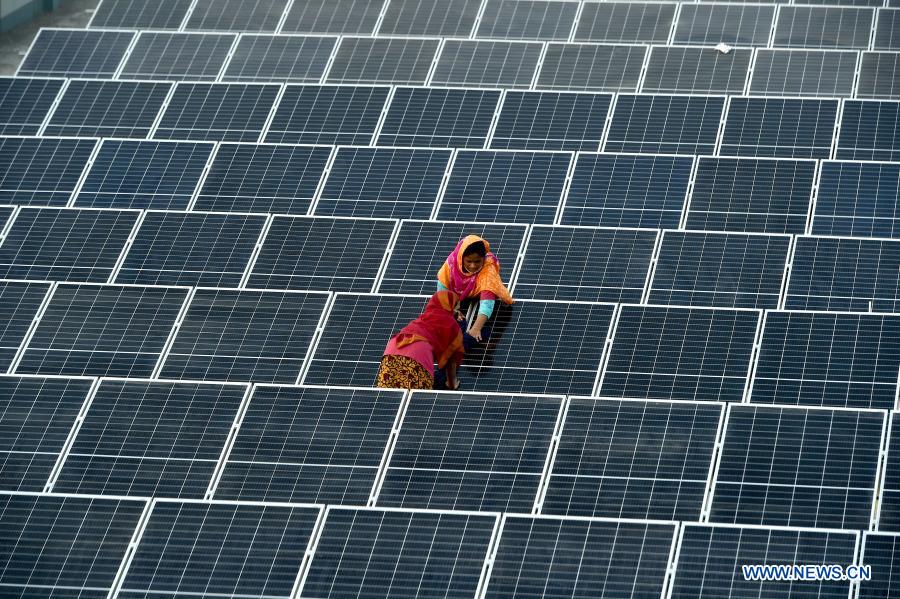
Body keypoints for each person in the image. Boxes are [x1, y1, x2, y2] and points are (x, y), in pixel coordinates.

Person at [376, 290, 465, 390]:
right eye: (456, 309)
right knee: (416, 400)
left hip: (392, 350)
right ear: (451, 306)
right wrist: (452, 383)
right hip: (417, 353)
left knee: (385, 395)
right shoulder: (450, 324)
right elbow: (453, 358)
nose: (456, 312)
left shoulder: (423, 318)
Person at [437, 235, 514, 345]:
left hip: (481, 291)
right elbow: (442, 290)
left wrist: (476, 329)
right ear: (461, 258)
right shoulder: (451, 264)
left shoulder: (488, 270)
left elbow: (487, 303)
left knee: (470, 340)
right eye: (468, 261)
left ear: (484, 258)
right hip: (458, 295)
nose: (473, 266)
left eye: (477, 261)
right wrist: (452, 310)